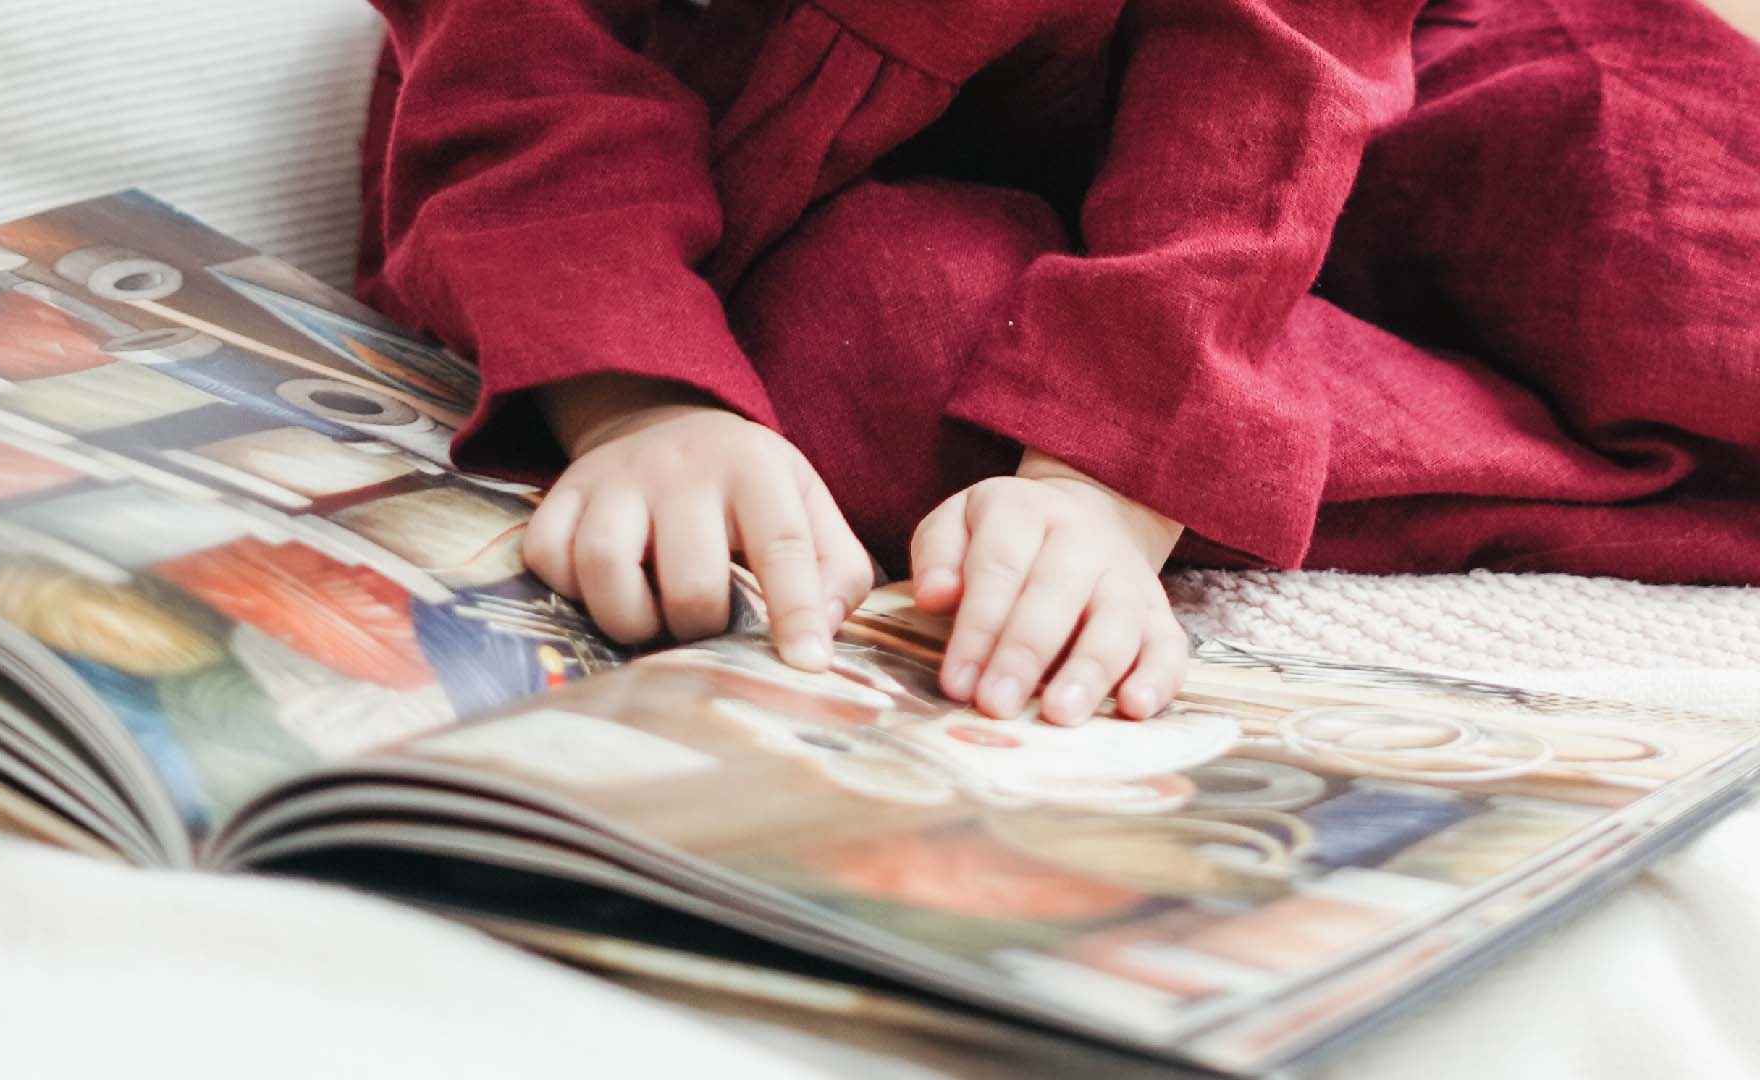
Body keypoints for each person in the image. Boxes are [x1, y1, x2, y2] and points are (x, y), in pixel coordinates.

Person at [355, 0, 1759, 728]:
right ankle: (1547, 463)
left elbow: (1275, 81)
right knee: (884, 358)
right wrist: (640, 406)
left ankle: (1258, 410)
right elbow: (521, 88)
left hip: (1315, 88)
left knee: (1661, 216)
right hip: (769, 194)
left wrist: (1112, 470)